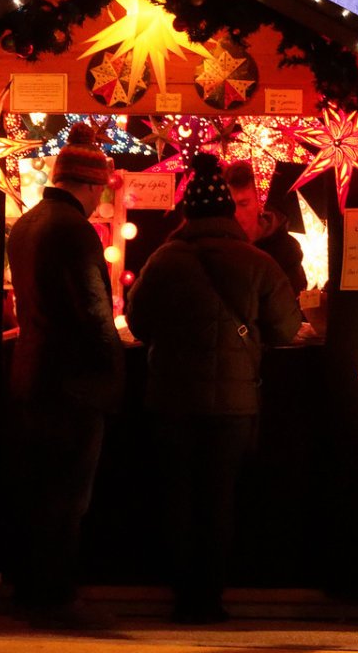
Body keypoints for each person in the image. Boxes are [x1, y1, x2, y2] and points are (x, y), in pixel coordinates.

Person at [125, 153, 306, 623]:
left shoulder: (164, 259)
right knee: (219, 498)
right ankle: (209, 599)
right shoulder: (259, 262)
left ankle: (181, 596)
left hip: (171, 400)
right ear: (227, 211)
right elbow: (287, 329)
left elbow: (139, 322)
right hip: (233, 406)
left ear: (187, 214)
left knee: (177, 496)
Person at [5, 121, 125, 630]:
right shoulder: (75, 232)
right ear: (92, 185)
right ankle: (55, 595)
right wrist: (113, 371)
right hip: (71, 382)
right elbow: (96, 314)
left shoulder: (26, 225)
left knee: (35, 489)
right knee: (68, 496)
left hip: (30, 371)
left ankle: (28, 586)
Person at [225, 159, 310, 294]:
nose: (235, 213)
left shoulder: (285, 248)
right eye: (231, 204)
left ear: (260, 202)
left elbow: (295, 296)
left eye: (243, 203)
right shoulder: (220, 247)